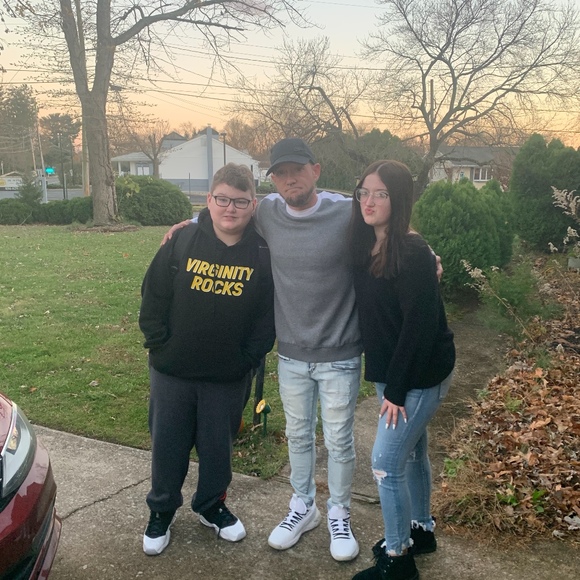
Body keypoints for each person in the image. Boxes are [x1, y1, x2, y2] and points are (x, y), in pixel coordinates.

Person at [163, 138, 363, 561]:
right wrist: (189, 223)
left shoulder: (346, 211)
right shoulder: (267, 211)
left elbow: (388, 225)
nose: (290, 179)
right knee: (298, 436)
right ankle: (303, 507)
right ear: (273, 179)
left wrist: (425, 251)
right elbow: (224, 209)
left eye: (297, 170)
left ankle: (339, 513)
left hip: (340, 353)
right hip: (291, 354)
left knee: (339, 440)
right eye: (280, 173)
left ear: (316, 170)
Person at [139, 163, 275, 556]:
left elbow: (267, 316)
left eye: (240, 201)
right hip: (172, 370)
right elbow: (153, 295)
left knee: (218, 448)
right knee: (168, 445)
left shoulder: (262, 252)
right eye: (222, 199)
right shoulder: (182, 240)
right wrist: (159, 345)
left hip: (227, 376)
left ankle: (211, 505)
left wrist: (247, 359)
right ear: (209, 200)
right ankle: (162, 509)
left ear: (253, 205)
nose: (230, 208)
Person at [347, 160, 455, 580]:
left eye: (381, 194)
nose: (369, 201)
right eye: (364, 192)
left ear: (400, 199)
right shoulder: (369, 241)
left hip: (418, 375)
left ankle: (398, 559)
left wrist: (395, 390)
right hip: (391, 371)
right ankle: (421, 530)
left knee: (385, 462)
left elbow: (419, 328)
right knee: (412, 454)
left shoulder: (412, 252)